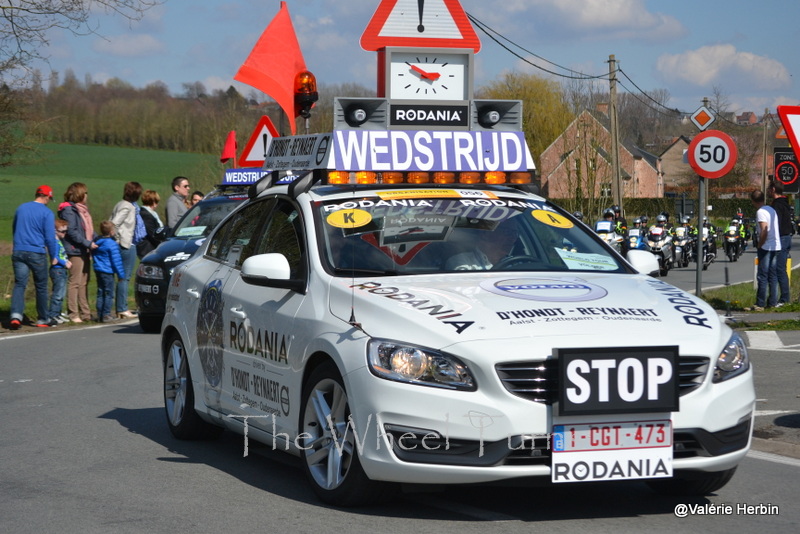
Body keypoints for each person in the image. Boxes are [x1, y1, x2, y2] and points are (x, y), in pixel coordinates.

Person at [9, 185, 59, 329]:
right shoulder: (47, 213)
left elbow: (14, 228)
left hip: (19, 250)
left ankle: (15, 316)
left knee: (19, 284)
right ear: (47, 197)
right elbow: (50, 237)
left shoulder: (21, 208)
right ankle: (43, 319)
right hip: (36, 252)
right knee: (41, 286)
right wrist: (53, 255)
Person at [59, 182, 98, 323]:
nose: (87, 196)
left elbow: (87, 230)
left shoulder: (81, 210)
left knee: (84, 282)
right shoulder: (69, 210)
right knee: (75, 282)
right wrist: (88, 243)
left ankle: (85, 313)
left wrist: (98, 239)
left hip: (84, 249)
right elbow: (72, 232)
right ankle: (73, 313)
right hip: (75, 250)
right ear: (80, 194)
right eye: (85, 193)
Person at [110, 181, 142, 319]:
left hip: (123, 243)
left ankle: (120, 308)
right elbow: (114, 223)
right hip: (126, 244)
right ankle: (122, 308)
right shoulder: (128, 207)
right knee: (125, 277)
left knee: (122, 277)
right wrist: (121, 239)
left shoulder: (120, 203)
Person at [750, 189, 781, 311]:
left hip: (767, 246)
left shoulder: (761, 212)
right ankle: (773, 301)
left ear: (753, 201)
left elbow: (764, 230)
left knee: (762, 275)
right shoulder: (771, 209)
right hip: (776, 245)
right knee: (773, 275)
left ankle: (760, 303)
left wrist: (760, 244)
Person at [446, 220, 520, 271]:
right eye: (507, 232)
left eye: (515, 234)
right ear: (485, 234)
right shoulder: (463, 261)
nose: (512, 238)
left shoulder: (518, 263)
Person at [93, 221, 126, 323]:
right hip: (108, 271)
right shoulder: (111, 244)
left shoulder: (97, 242)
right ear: (111, 232)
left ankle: (100, 314)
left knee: (100, 292)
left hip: (98, 269)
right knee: (108, 293)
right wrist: (121, 275)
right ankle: (106, 314)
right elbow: (116, 261)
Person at [769, 181, 794, 306]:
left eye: (769, 189)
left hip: (781, 238)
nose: (768, 191)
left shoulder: (777, 205)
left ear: (773, 189)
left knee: (779, 269)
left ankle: (784, 299)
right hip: (786, 237)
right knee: (779, 268)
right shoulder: (784, 203)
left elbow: (776, 224)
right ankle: (782, 298)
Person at [47, 219, 72, 324]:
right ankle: (53, 314)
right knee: (58, 294)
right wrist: (64, 262)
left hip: (61, 270)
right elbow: (55, 258)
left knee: (61, 293)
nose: (64, 234)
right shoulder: (54, 243)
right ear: (55, 231)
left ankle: (57, 313)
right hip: (58, 270)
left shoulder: (59, 242)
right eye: (62, 231)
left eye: (66, 231)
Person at [137, 189, 165, 259]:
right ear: (153, 202)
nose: (157, 204)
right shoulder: (146, 215)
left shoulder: (149, 213)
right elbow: (152, 233)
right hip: (148, 248)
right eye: (156, 201)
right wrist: (162, 245)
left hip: (150, 248)